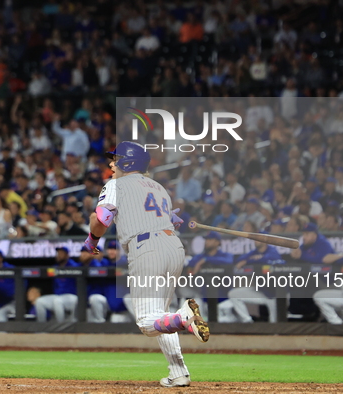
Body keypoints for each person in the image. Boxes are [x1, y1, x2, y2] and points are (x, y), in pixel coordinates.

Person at [83, 141, 209, 388]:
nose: (111, 163)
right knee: (160, 315)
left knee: (146, 322)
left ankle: (184, 317)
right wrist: (172, 217)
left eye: (116, 159)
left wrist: (92, 239)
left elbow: (102, 217)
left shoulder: (116, 185)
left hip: (147, 249)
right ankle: (179, 372)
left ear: (128, 162)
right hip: (173, 248)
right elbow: (167, 218)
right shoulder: (159, 187)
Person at [228, 232, 285, 323]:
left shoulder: (272, 251)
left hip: (276, 295)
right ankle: (247, 321)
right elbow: (238, 260)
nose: (256, 241)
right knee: (234, 294)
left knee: (274, 327)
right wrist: (249, 259)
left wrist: (254, 259)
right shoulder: (253, 253)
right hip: (262, 292)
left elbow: (273, 259)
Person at [34, 247, 81, 322]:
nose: (58, 255)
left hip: (72, 297)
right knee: (39, 301)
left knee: (57, 301)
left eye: (61, 253)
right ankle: (41, 329)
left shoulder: (74, 266)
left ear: (67, 255)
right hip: (58, 296)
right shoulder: (54, 268)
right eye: (58, 253)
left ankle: (60, 328)